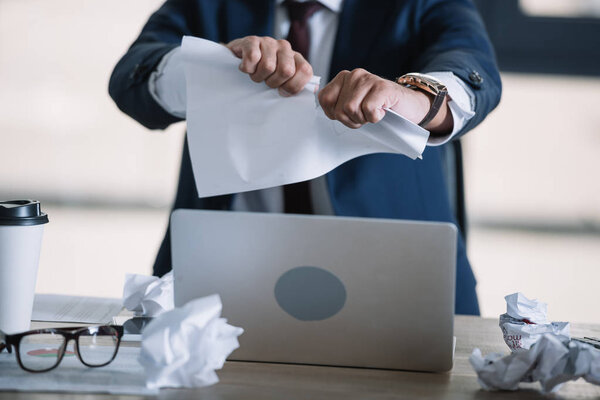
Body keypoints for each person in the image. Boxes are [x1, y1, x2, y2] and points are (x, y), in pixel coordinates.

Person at [109, 0, 502, 315]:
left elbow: (473, 66)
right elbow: (131, 78)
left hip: (395, 286)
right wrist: (210, 68)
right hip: (222, 281)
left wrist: (418, 100)